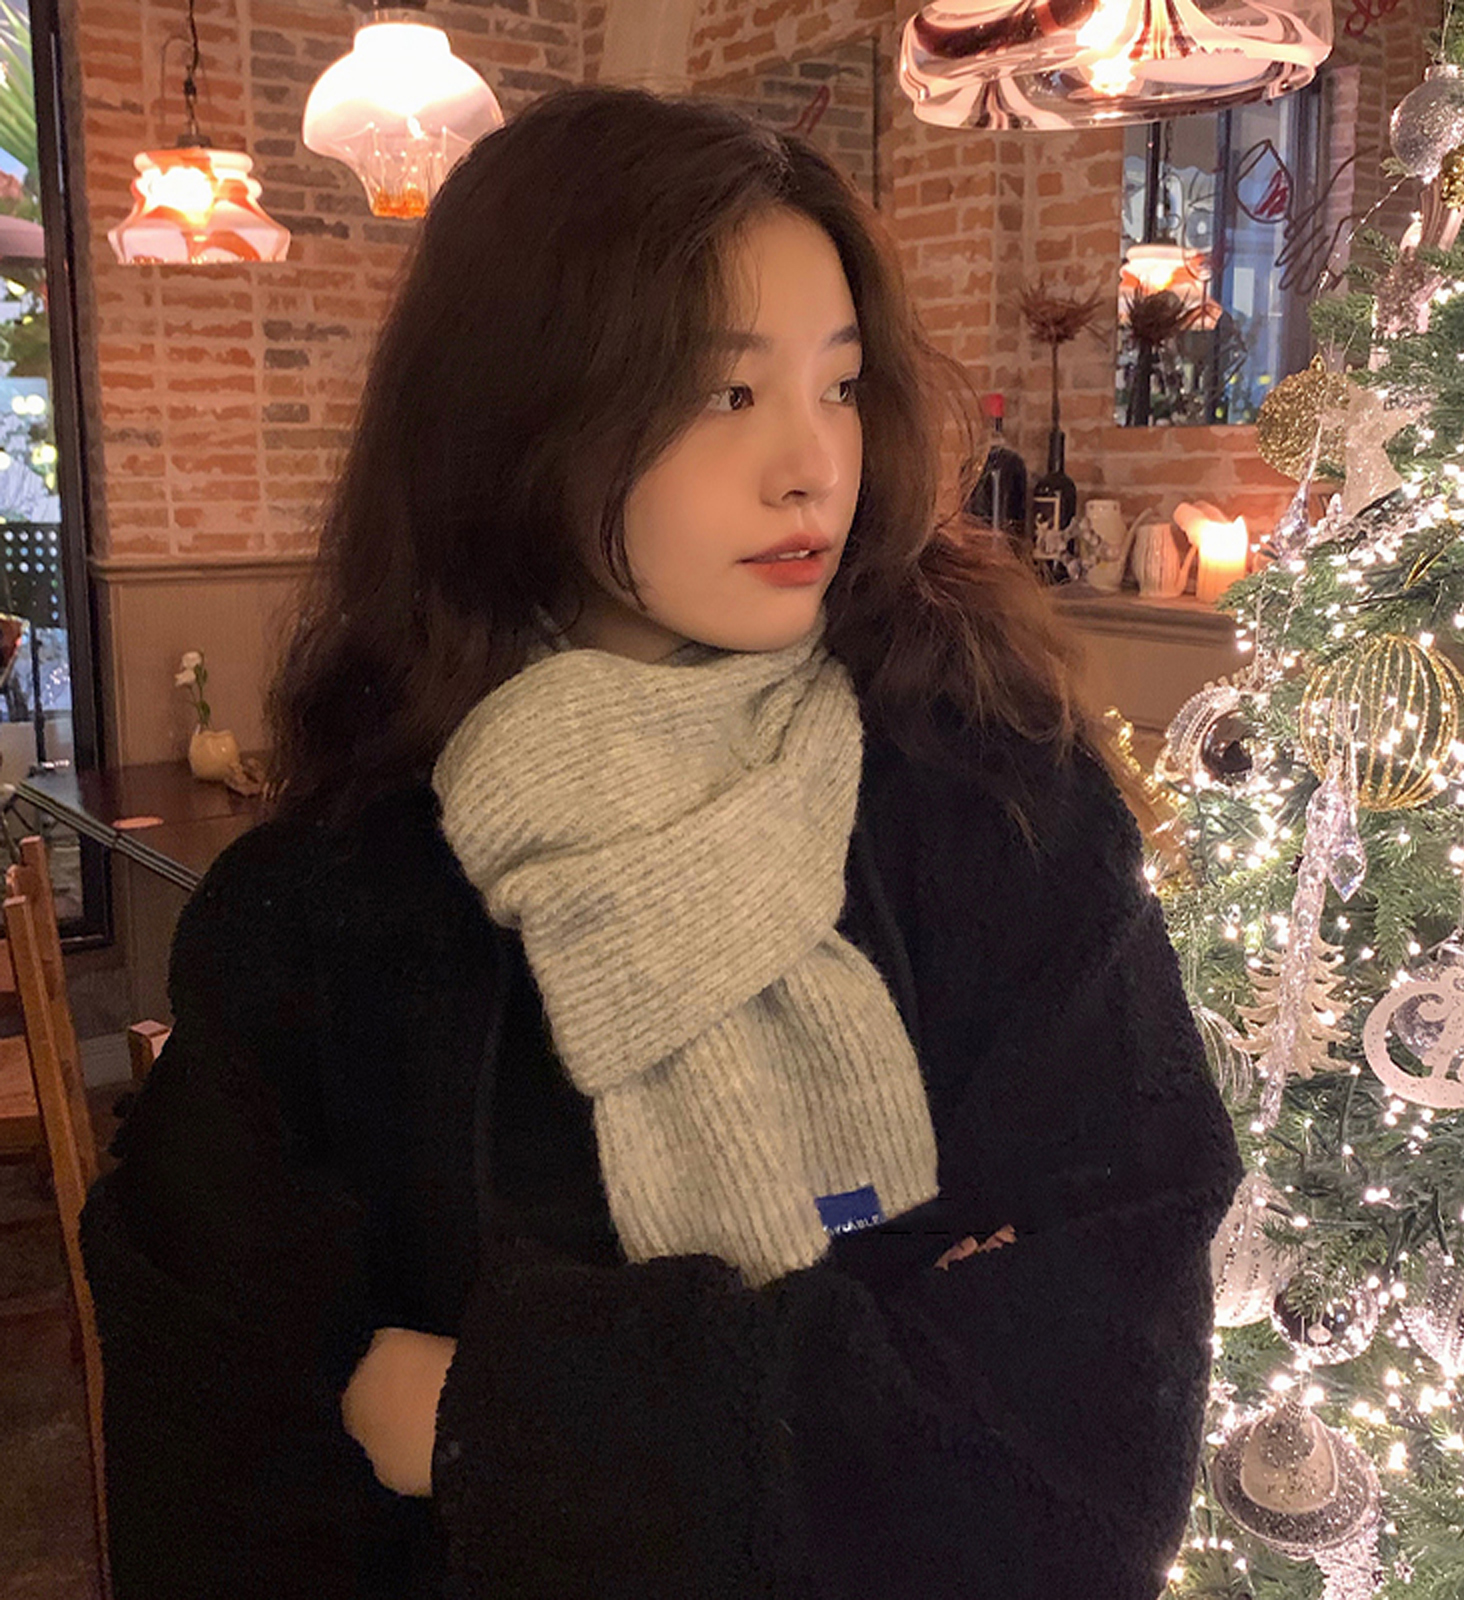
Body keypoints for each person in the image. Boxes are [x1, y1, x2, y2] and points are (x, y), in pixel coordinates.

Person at [81, 83, 1243, 1600]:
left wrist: (495, 1419)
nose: (812, 465)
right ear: (517, 419)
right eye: (723, 394)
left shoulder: (992, 806)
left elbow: (1088, 1441)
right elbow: (224, 1472)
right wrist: (864, 1375)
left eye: (840, 385)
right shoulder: (328, 910)